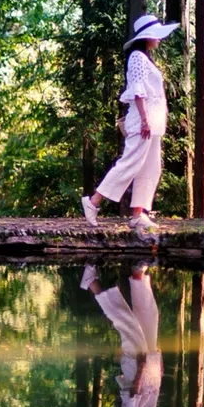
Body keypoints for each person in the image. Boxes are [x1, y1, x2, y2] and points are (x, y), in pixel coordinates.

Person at [80, 14, 179, 243]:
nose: (159, 40)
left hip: (153, 124)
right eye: (157, 36)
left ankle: (138, 214)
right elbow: (137, 90)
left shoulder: (146, 58)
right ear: (147, 36)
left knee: (151, 168)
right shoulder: (137, 57)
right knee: (130, 163)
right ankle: (93, 201)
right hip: (143, 123)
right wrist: (145, 120)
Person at [81, 263, 171, 407]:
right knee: (149, 317)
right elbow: (152, 395)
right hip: (151, 368)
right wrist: (159, 367)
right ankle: (138, 276)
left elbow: (132, 396)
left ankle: (92, 284)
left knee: (126, 322)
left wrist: (140, 368)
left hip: (137, 366)